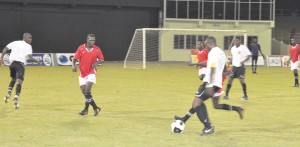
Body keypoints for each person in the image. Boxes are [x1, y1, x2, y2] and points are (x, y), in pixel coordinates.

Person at [174, 36, 244, 136]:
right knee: (213, 105)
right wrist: (225, 73)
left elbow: (212, 67)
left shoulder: (213, 53)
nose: (205, 47)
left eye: (206, 45)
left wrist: (210, 84)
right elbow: (223, 68)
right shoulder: (221, 52)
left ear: (210, 44)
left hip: (211, 83)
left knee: (196, 103)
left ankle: (208, 127)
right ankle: (236, 109)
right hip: (217, 83)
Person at [0, 33, 40, 109]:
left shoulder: (15, 42)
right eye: (29, 38)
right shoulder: (28, 46)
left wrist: (1, 57)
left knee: (13, 79)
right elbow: (30, 58)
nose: (31, 39)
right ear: (24, 38)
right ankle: (16, 98)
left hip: (12, 64)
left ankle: (8, 93)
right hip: (19, 65)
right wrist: (37, 61)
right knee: (19, 81)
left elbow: (6, 48)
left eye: (31, 38)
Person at [72, 34, 104, 116]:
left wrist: (96, 63)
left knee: (87, 91)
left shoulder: (97, 49)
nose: (92, 42)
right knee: (85, 93)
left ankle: (92, 109)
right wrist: (74, 65)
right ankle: (91, 108)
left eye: (94, 40)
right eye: (90, 40)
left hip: (91, 72)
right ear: (87, 40)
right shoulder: (81, 48)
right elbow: (74, 59)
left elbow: (102, 59)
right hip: (82, 73)